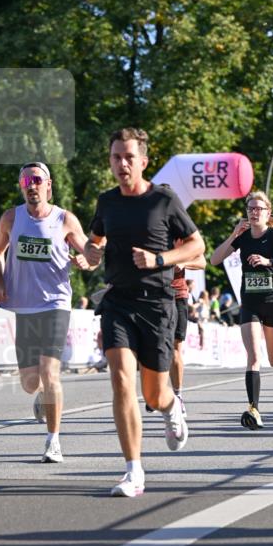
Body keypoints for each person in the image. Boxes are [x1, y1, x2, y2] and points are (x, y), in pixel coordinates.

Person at [84, 127, 205, 496]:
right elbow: (95, 240)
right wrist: (90, 254)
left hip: (157, 305)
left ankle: (171, 407)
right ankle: (133, 471)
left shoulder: (163, 201)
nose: (122, 164)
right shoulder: (107, 202)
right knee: (121, 379)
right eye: (116, 157)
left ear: (144, 162)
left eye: (129, 157)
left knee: (153, 395)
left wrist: (159, 258)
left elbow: (197, 245)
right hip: (118, 302)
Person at [0, 161, 94, 463]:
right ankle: (42, 397)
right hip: (24, 306)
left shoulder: (65, 219)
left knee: (51, 374)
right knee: (29, 383)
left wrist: (87, 261)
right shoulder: (11, 218)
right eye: (25, 181)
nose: (31, 185)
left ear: (48, 185)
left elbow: (88, 251)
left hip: (55, 304)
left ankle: (53, 440)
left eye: (36, 179)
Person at [210, 189, 273, 430]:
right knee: (253, 357)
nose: (253, 213)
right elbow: (214, 260)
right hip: (249, 303)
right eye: (250, 209)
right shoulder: (241, 237)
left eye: (258, 209)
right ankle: (254, 409)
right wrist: (233, 235)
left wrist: (269, 262)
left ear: (267, 213)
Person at [170, 245, 206, 417]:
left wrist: (183, 263)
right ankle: (157, 391)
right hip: (151, 295)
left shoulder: (180, 229)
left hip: (177, 295)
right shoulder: (143, 228)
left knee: (175, 348)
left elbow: (201, 261)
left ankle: (177, 396)